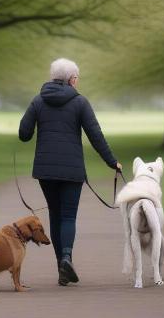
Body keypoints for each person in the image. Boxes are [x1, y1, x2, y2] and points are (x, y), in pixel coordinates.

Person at [18, 58, 122, 286]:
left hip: (45, 171)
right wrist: (112, 162)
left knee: (55, 214)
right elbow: (96, 135)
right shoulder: (80, 102)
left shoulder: (38, 100)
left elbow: (24, 134)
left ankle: (61, 266)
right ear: (72, 79)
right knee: (68, 215)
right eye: (77, 77)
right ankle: (66, 257)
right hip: (72, 170)